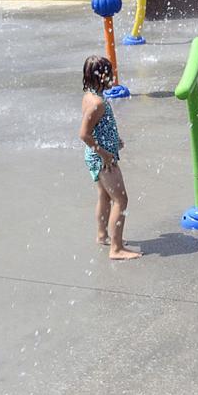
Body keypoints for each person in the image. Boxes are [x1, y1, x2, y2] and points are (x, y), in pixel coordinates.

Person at [78, 55, 140, 260]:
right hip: (102, 158)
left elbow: (98, 127)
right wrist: (105, 153)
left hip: (99, 154)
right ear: (100, 76)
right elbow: (84, 134)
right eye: (109, 73)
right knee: (121, 200)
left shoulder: (90, 95)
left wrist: (115, 139)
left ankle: (102, 235)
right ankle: (116, 248)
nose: (112, 76)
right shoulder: (97, 102)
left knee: (105, 197)